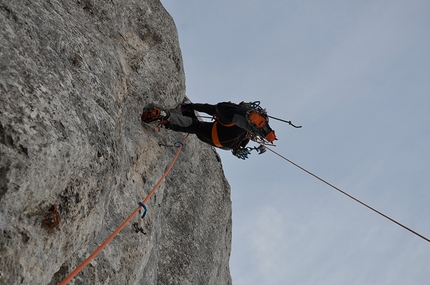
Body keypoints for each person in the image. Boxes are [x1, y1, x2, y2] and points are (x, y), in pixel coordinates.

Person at [141, 101, 276, 159]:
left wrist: (191, 105)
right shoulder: (244, 134)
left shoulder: (230, 113)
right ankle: (165, 118)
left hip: (226, 132)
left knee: (200, 124)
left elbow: (209, 108)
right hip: (227, 140)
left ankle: (166, 117)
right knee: (198, 127)